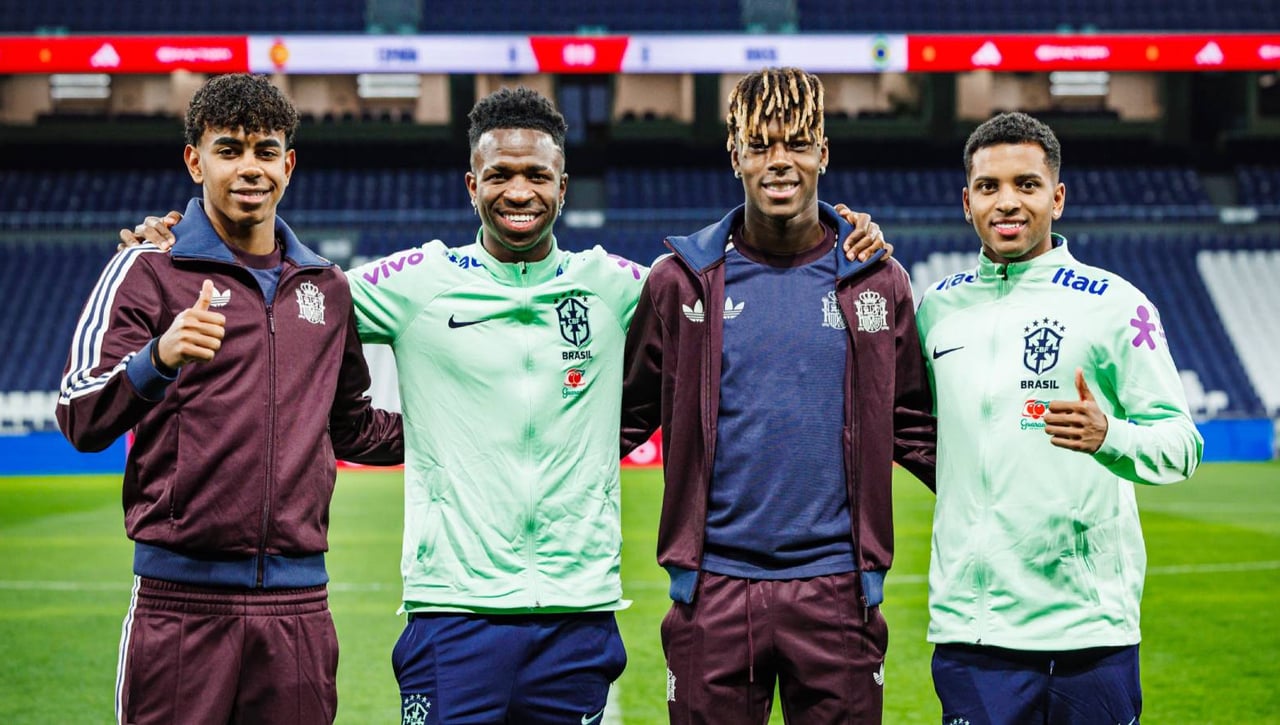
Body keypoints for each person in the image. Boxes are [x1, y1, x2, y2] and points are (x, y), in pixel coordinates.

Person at [123, 85, 891, 725]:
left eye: (536, 174)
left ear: (562, 184)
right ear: (471, 185)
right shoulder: (412, 282)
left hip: (577, 607)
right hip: (452, 609)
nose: (517, 190)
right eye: (499, 175)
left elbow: (742, 280)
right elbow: (296, 298)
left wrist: (850, 231)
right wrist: (192, 243)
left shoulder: (627, 283)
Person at [57, 73, 404, 725]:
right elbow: (79, 414)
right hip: (179, 605)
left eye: (266, 150)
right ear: (195, 160)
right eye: (230, 149)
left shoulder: (325, 288)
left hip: (300, 607)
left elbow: (353, 426)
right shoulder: (148, 272)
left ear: (289, 164)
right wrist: (158, 357)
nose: (251, 167)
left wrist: (468, 428)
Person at [620, 67, 938, 724]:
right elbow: (620, 419)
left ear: (823, 151)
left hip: (839, 595)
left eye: (796, 142)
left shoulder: (878, 282)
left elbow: (914, 427)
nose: (779, 161)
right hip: (713, 591)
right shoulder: (679, 284)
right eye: (760, 144)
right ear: (734, 152)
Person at [914, 111, 1203, 724]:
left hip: (1090, 632)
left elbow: (1182, 444)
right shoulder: (937, 312)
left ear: (1058, 197)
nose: (1007, 202)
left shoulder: (1116, 304)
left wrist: (1110, 437)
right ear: (967, 202)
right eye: (989, 187)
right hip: (976, 632)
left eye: (1027, 184)